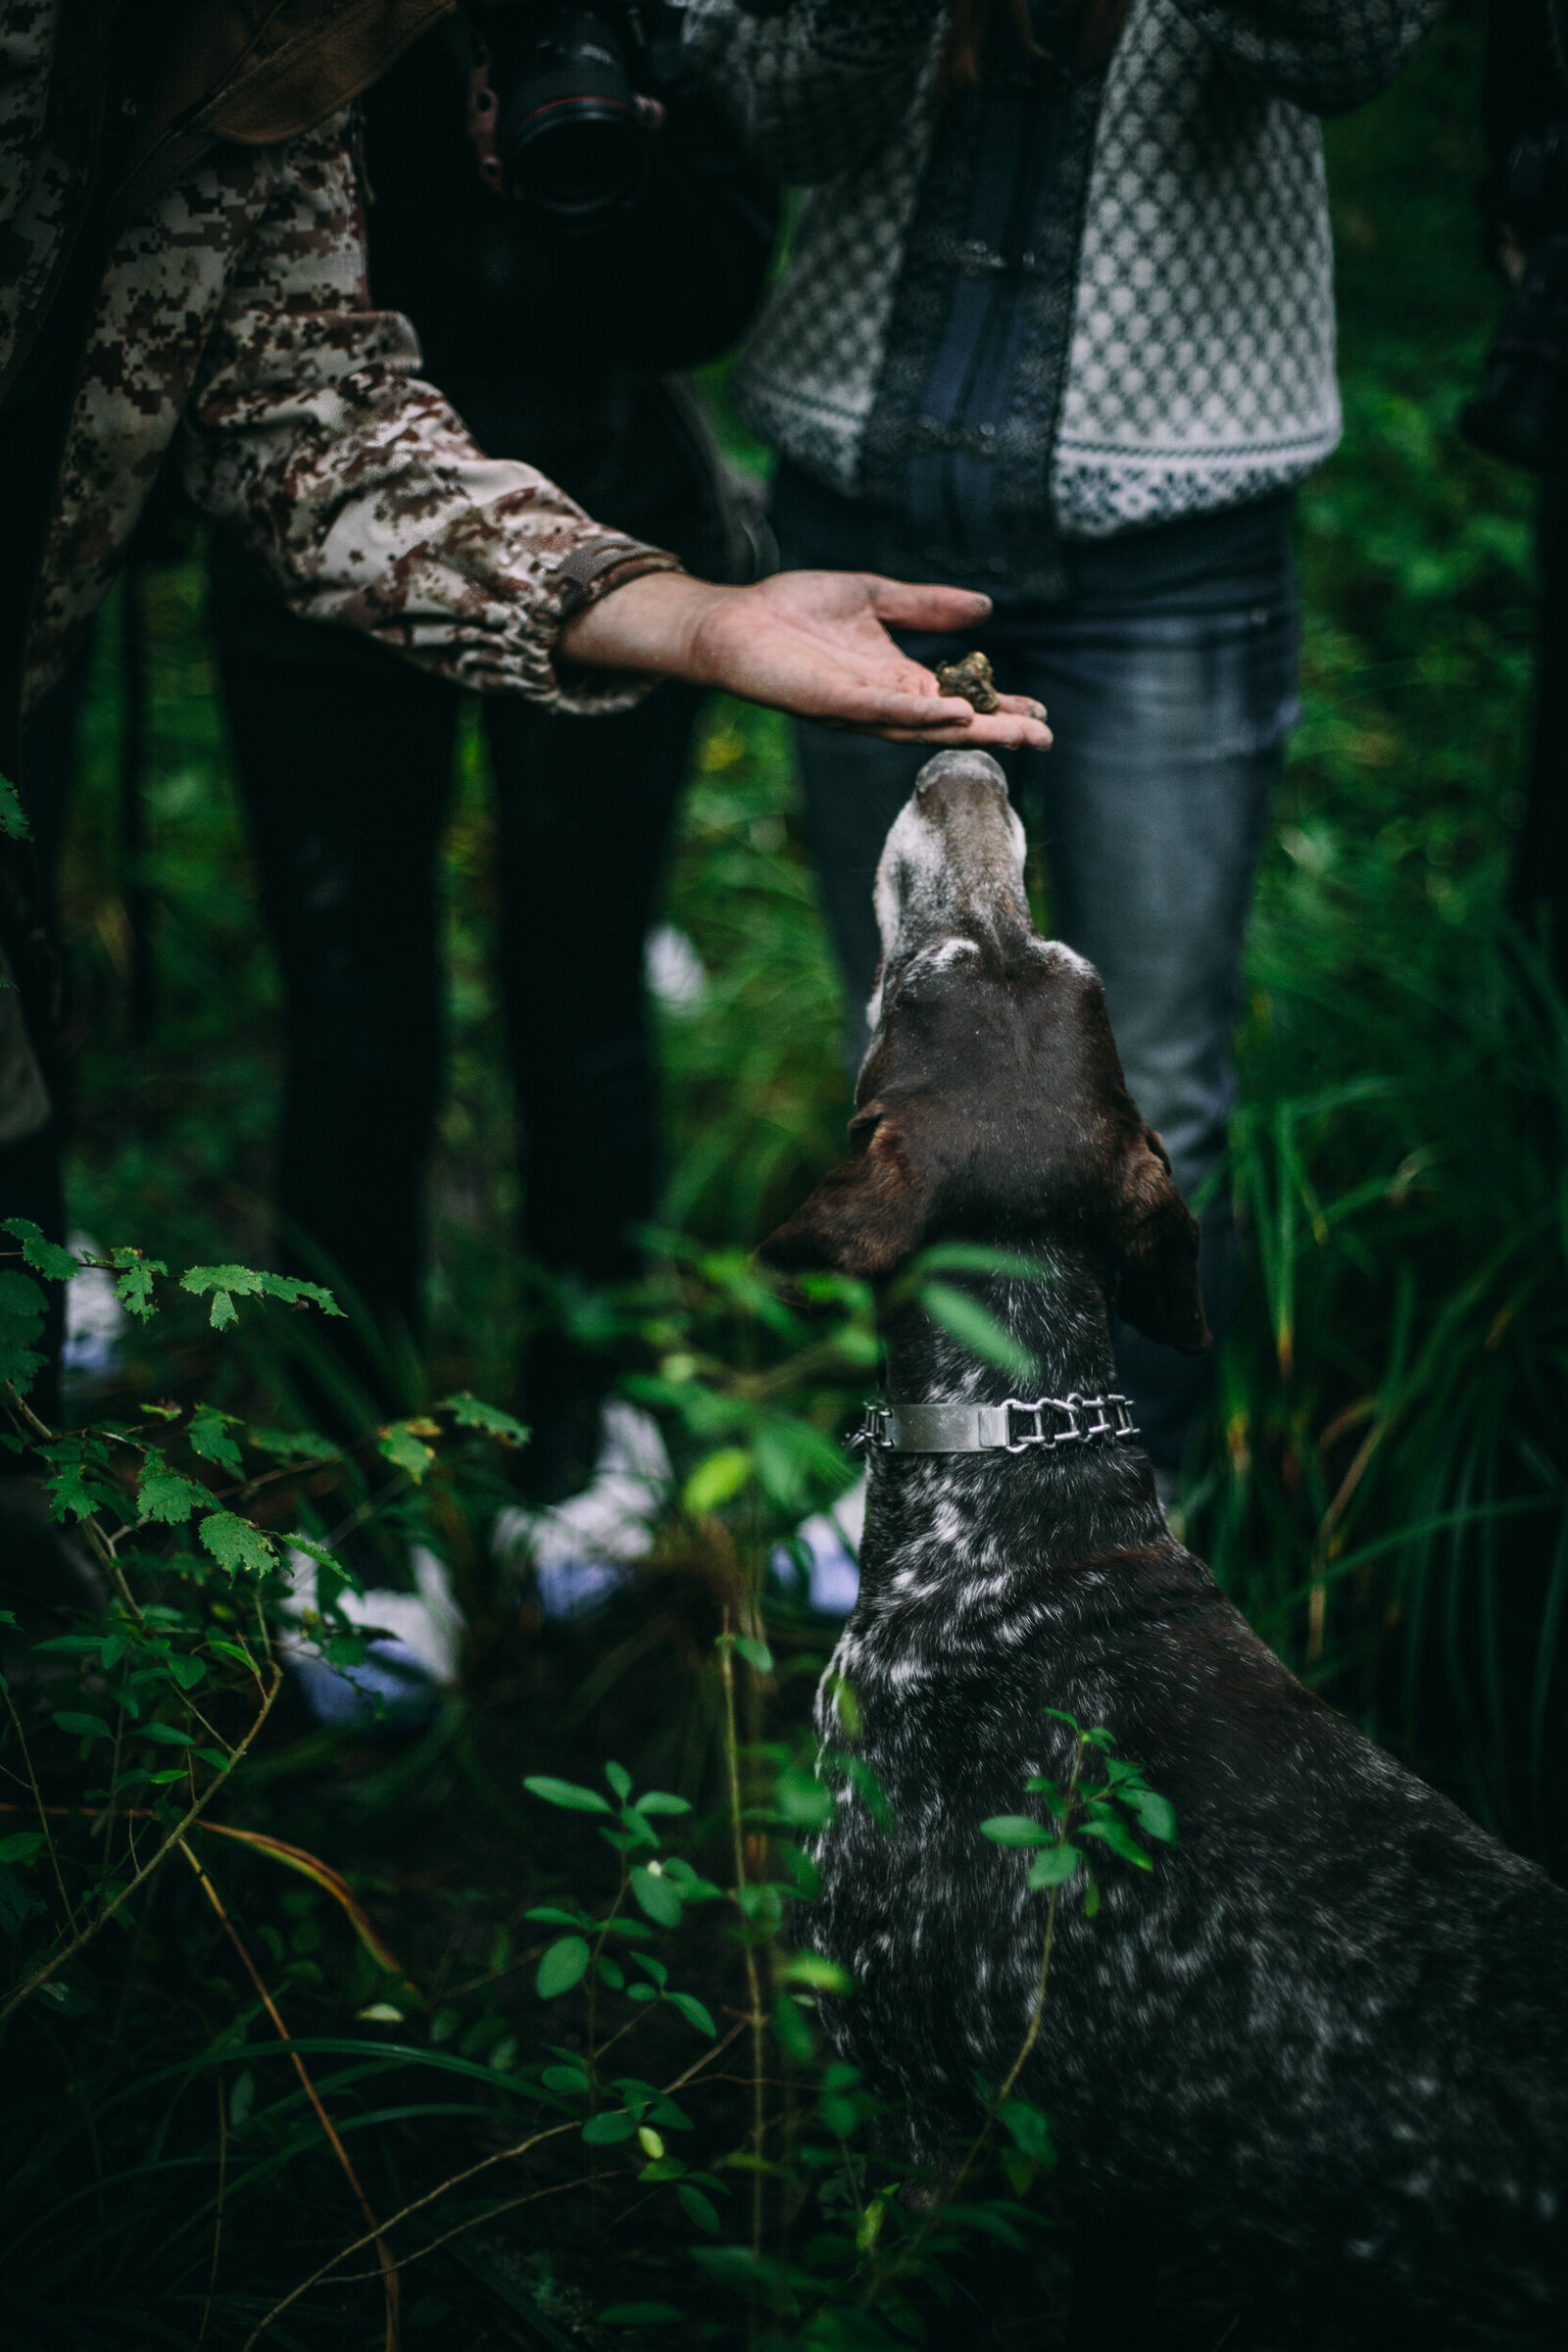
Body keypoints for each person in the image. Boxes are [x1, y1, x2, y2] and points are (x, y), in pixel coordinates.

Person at [0, 0, 1048, 1427]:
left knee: (581, 991)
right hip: (302, 635)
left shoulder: (289, 57)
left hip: (576, 518)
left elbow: (315, 416)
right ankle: (344, 1460)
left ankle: (581, 1421)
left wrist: (701, 618)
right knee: (353, 1020)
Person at [685, 0, 1442, 1492]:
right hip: (866, 510)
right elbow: (771, 112)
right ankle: (933, 1490)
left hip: (1181, 534)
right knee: (907, 1062)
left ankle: (1124, 1520)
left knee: (1157, 1071)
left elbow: (1351, 49)